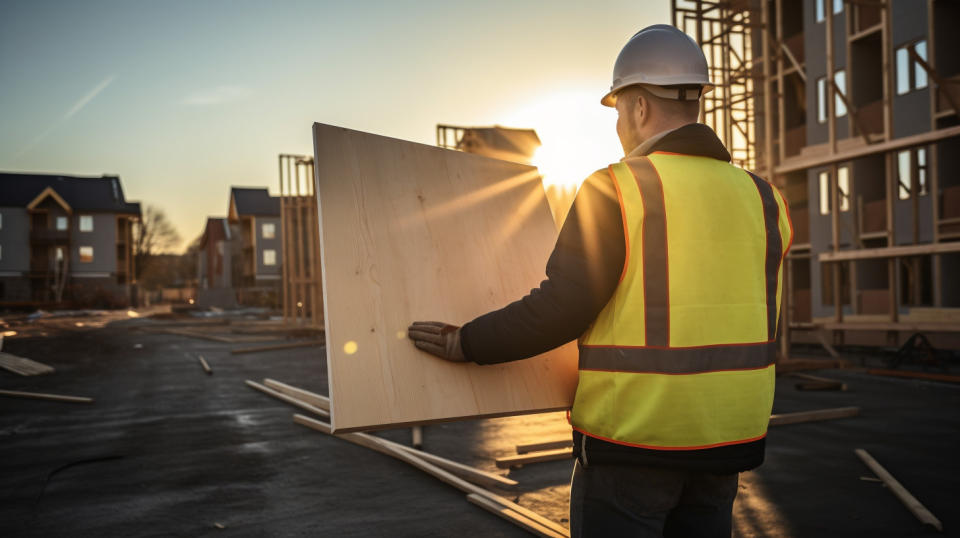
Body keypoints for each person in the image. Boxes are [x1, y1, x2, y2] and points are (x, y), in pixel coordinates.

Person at [408, 24, 793, 538]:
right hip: (728, 443)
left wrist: (466, 342)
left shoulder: (617, 187)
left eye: (617, 111)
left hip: (634, 442)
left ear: (637, 107)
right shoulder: (764, 198)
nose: (618, 126)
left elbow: (562, 304)